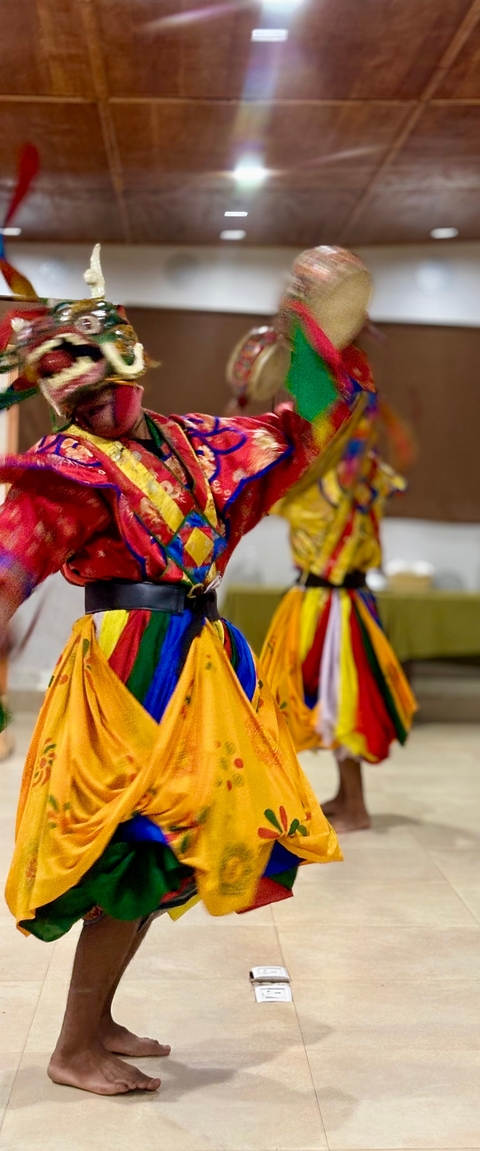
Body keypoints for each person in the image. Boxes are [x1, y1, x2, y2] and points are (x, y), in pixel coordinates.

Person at [0, 243, 374, 1095]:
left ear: (134, 359)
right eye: (75, 394)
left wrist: (317, 340)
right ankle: (72, 1045)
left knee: (165, 852)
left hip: (198, 665)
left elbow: (291, 434)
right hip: (126, 677)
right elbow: (7, 565)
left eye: (105, 382)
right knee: (133, 848)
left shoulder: (192, 442)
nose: (95, 403)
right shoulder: (65, 467)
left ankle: (96, 1023)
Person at [258, 327, 417, 832]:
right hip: (315, 598)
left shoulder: (346, 475)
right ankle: (344, 797)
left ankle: (356, 807)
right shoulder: (321, 476)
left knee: (339, 699)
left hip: (337, 604)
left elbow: (352, 413)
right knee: (320, 701)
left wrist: (326, 356)